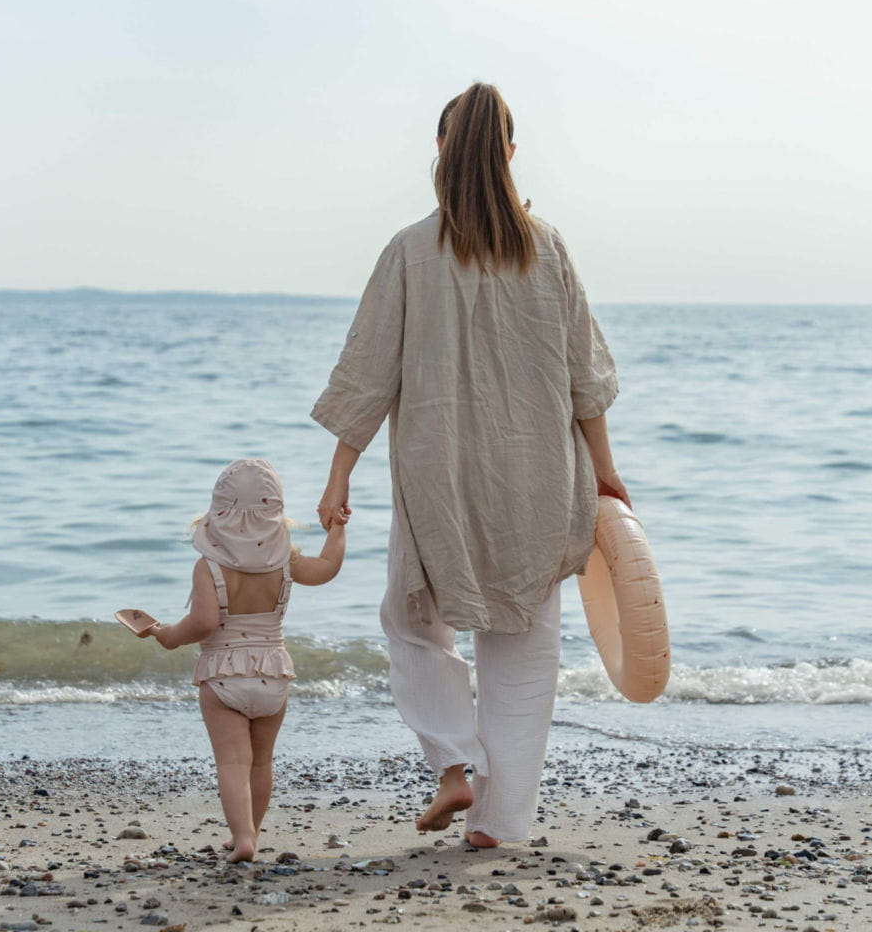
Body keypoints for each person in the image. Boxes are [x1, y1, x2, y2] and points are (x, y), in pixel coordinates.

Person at [312, 82, 628, 848]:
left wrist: (339, 472)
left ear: (440, 148)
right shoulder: (547, 248)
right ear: (509, 154)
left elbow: (368, 373)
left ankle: (454, 763)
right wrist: (605, 470)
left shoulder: (411, 251)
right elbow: (584, 377)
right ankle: (498, 822)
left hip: (438, 476)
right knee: (523, 645)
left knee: (412, 618)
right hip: (539, 475)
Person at [135, 458, 346, 862]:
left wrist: (167, 636)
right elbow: (327, 569)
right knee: (260, 763)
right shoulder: (286, 559)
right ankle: (253, 832)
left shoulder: (209, 566)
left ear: (217, 510)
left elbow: (203, 623)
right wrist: (337, 527)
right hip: (274, 673)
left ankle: (242, 836)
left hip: (224, 676)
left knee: (232, 763)